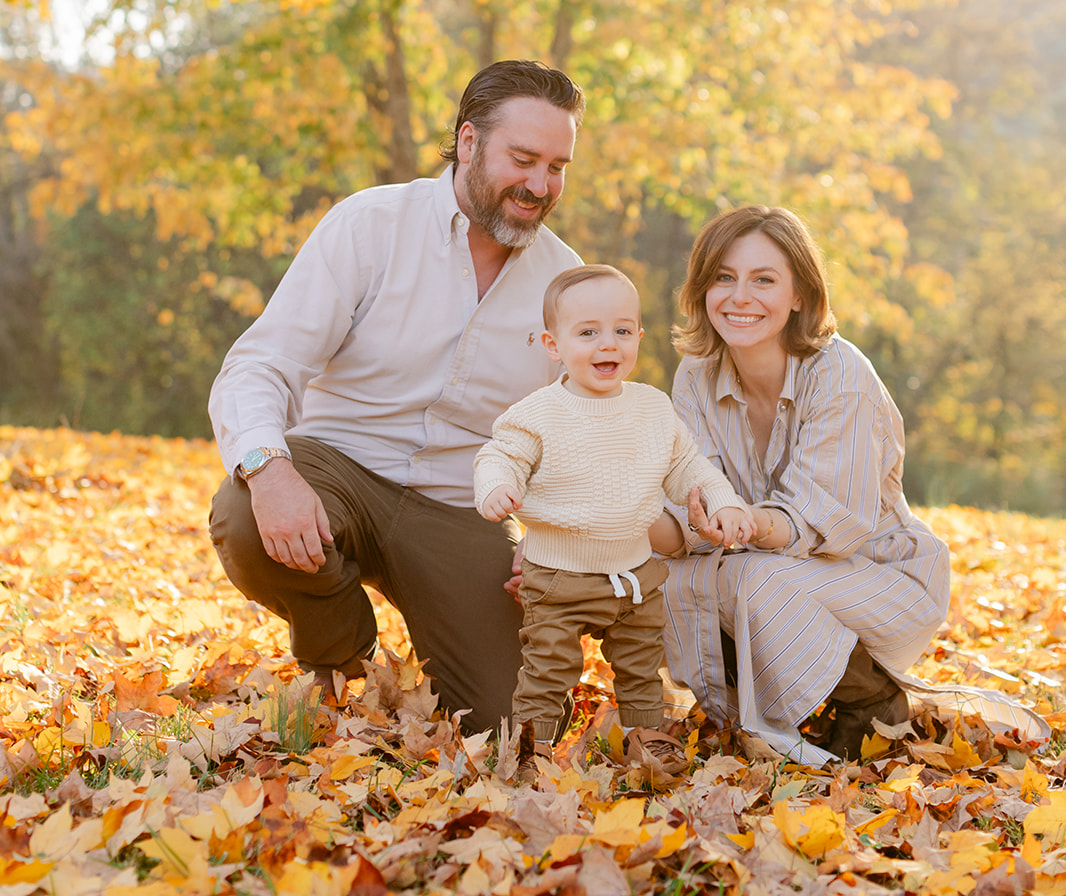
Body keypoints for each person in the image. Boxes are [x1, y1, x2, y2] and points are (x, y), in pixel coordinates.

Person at [208, 60, 585, 734]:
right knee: (244, 512)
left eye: (557, 166)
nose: (539, 184)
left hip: (458, 508)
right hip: (340, 468)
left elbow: (574, 439)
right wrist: (270, 470)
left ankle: (447, 654)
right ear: (469, 142)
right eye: (523, 159)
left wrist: (554, 536)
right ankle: (341, 649)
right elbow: (261, 364)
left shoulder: (567, 283)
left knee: (513, 725)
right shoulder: (371, 225)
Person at [655, 205, 951, 761]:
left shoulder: (841, 376)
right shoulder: (696, 375)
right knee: (667, 574)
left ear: (798, 295)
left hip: (876, 573)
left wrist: (741, 523)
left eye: (763, 280)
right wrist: (589, 533)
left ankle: (871, 699)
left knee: (751, 575)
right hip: (774, 564)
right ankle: (740, 708)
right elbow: (689, 506)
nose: (739, 297)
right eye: (724, 277)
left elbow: (823, 525)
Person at [473, 264, 756, 747]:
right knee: (547, 669)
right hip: (557, 577)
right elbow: (499, 454)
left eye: (622, 331)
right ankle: (530, 753)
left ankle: (646, 744)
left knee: (641, 666)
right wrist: (496, 486)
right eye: (588, 333)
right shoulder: (538, 414)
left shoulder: (651, 408)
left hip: (634, 576)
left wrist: (724, 501)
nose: (608, 344)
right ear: (552, 345)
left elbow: (689, 466)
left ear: (639, 337)